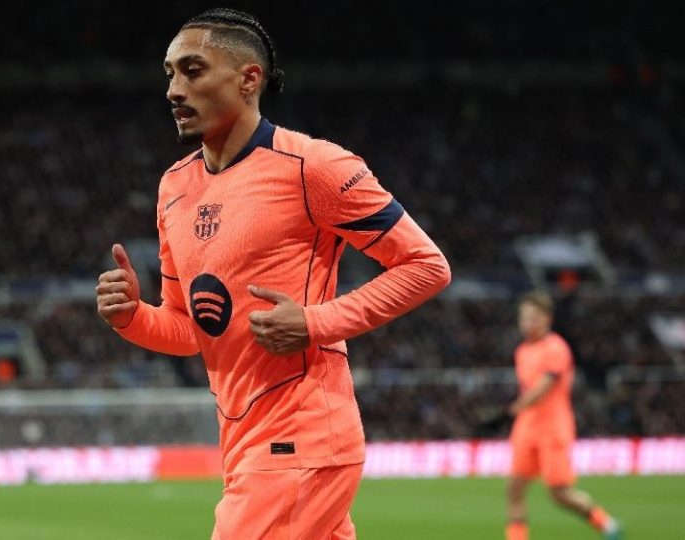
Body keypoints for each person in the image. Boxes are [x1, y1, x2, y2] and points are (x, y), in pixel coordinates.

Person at [96, 8, 450, 539]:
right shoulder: (174, 187)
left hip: (300, 440)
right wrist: (131, 317)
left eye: (192, 70)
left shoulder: (314, 166)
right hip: (244, 445)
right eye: (169, 73)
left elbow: (426, 266)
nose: (173, 89)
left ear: (248, 78)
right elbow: (190, 330)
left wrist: (314, 322)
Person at [505, 291, 623, 540]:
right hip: (526, 426)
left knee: (559, 493)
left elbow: (543, 387)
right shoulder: (522, 351)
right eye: (524, 318)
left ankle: (606, 524)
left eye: (533, 317)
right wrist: (517, 410)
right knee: (514, 489)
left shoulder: (556, 348)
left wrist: (513, 408)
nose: (527, 323)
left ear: (547, 319)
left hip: (552, 428)